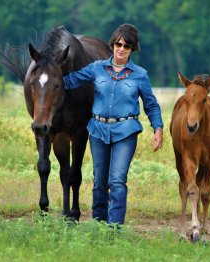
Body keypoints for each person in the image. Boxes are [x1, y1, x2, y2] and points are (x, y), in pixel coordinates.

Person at [63, 23, 163, 225]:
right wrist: (45, 76)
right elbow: (68, 81)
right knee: (99, 183)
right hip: (98, 131)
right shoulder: (97, 68)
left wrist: (158, 129)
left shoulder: (140, 75)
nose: (121, 49)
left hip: (125, 132)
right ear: (113, 44)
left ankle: (114, 229)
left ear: (132, 49)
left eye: (127, 46)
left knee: (116, 181)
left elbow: (151, 105)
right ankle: (99, 226)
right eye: (118, 44)